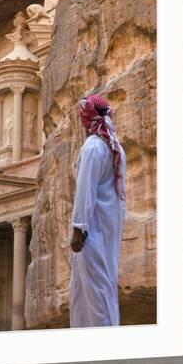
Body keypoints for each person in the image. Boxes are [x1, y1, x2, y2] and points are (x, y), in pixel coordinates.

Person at [68, 93, 126, 327]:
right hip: (106, 229)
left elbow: (85, 191)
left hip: (92, 233)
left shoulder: (93, 147)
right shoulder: (112, 146)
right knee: (87, 291)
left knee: (96, 292)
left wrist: (79, 229)